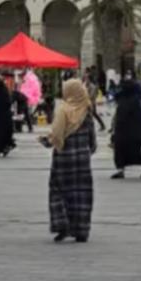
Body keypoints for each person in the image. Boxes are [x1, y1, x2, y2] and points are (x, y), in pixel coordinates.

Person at [44, 78, 100, 243]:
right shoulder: (87, 109)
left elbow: (56, 135)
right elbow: (93, 139)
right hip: (82, 159)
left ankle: (63, 225)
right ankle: (81, 230)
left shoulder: (63, 110)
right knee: (82, 194)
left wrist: (46, 141)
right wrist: (89, 149)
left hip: (64, 159)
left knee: (58, 191)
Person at [110, 77, 141, 179]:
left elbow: (140, 116)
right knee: (120, 150)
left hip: (130, 130)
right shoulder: (128, 98)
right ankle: (120, 170)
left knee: (133, 150)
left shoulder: (134, 100)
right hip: (124, 129)